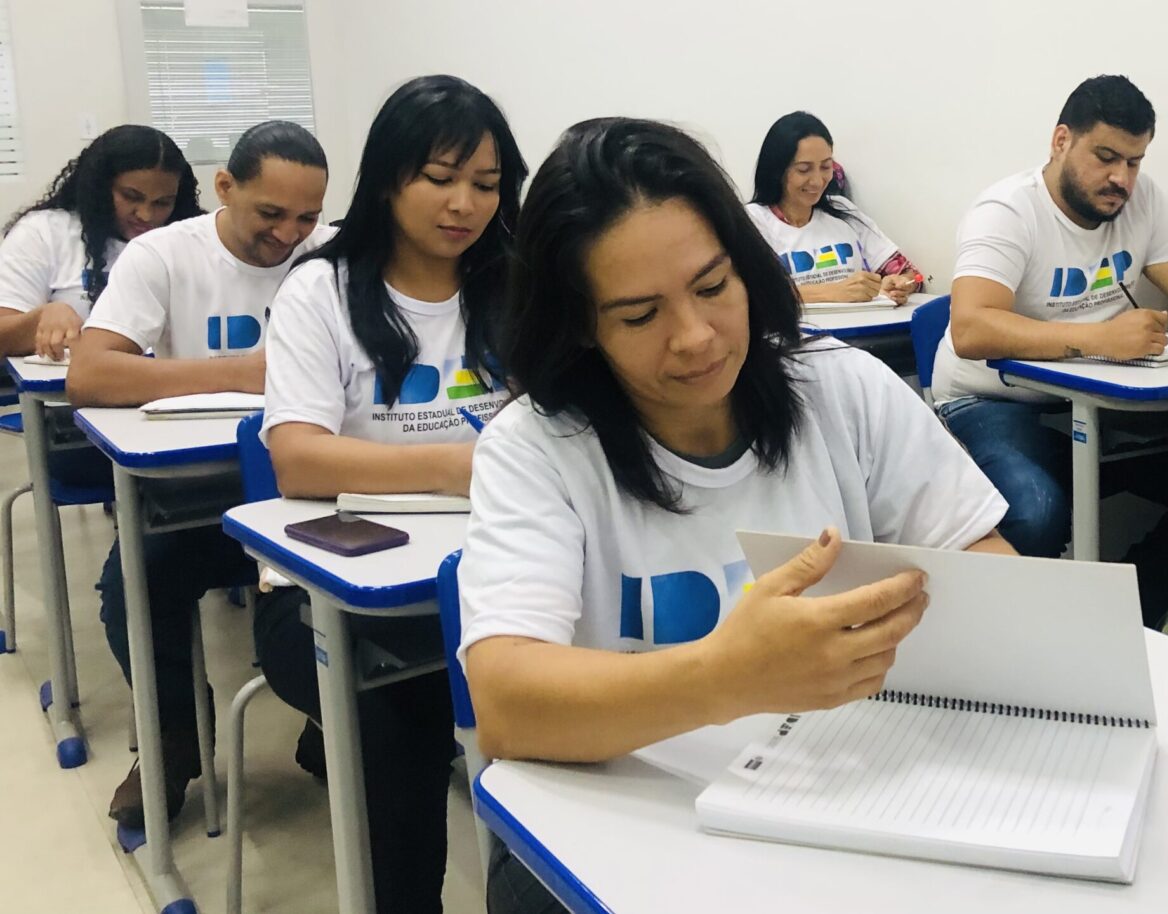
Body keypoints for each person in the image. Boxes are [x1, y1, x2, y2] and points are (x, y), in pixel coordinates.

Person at [457, 117, 1013, 911]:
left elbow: (988, 573)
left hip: (847, 802)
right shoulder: (537, 448)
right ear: (581, 324)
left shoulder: (841, 387)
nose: (695, 338)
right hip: (630, 832)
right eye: (640, 316)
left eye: (714, 287)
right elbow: (508, 705)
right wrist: (728, 676)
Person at [257, 74, 525, 914]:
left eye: (486, 184)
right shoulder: (322, 291)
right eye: (439, 178)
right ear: (386, 180)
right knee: (400, 730)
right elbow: (297, 460)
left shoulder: (512, 287)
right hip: (336, 599)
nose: (464, 204)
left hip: (493, 574)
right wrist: (459, 465)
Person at [66, 120, 331, 829]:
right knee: (134, 588)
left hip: (306, 490)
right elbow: (90, 375)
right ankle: (176, 739)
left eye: (306, 217)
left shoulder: (328, 257)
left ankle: (332, 719)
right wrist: (240, 374)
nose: (288, 234)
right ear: (224, 187)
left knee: (341, 596)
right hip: (198, 495)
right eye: (270, 213)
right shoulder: (163, 255)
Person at [932, 74, 1168, 561]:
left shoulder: (1143, 201)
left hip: (1100, 399)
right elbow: (971, 327)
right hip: (992, 398)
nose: (1121, 180)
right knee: (1036, 512)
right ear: (1061, 141)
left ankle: (1143, 593)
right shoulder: (1006, 211)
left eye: (1134, 162)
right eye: (1105, 158)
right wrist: (1099, 338)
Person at [0, 124, 201, 359]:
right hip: (67, 381)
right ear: (100, 188)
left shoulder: (189, 238)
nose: (146, 215)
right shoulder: (44, 232)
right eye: (131, 197)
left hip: (172, 378)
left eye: (162, 203)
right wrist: (41, 318)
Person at [746, 111, 921, 306]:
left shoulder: (842, 210)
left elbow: (909, 273)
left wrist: (898, 285)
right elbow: (750, 294)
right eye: (804, 169)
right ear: (777, 170)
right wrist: (833, 292)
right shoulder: (751, 221)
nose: (817, 181)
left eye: (825, 167)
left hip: (861, 325)